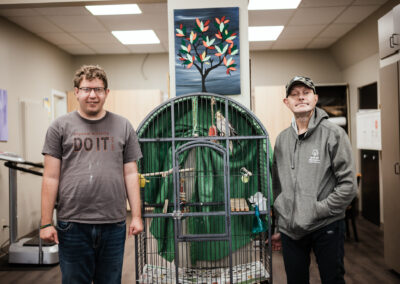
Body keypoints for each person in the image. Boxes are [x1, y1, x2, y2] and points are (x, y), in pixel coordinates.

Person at [40, 65, 143, 284]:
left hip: (113, 223)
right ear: (76, 92)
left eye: (98, 89)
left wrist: (136, 215)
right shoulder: (59, 127)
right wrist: (46, 222)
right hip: (72, 223)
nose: (92, 95)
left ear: (107, 93)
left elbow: (131, 174)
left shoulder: (124, 126)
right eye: (86, 89)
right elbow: (50, 177)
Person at [271, 76, 357, 284]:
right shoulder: (282, 139)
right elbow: (277, 186)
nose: (300, 97)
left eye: (306, 93)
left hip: (325, 225)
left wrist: (318, 209)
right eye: (294, 94)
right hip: (290, 230)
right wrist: (278, 226)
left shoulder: (334, 134)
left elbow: (348, 186)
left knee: (332, 279)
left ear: (315, 98)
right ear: (287, 102)